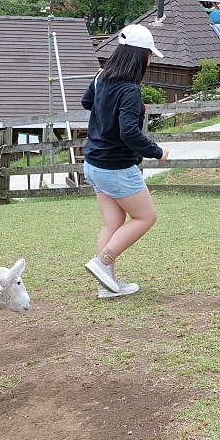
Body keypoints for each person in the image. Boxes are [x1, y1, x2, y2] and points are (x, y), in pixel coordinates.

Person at [80, 24, 169, 299]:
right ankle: (102, 261)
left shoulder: (101, 77)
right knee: (145, 216)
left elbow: (87, 102)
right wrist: (157, 151)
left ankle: (105, 285)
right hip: (115, 167)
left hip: (93, 162)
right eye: (150, 55)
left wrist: (105, 108)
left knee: (112, 223)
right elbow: (128, 131)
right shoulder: (130, 90)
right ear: (140, 56)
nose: (151, 60)